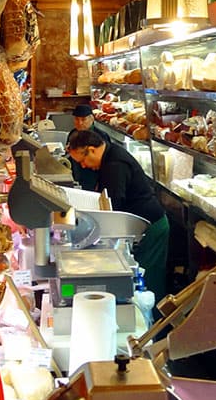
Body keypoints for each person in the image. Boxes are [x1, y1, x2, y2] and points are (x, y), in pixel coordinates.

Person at [67, 129, 169, 298]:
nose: (83, 166)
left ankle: (156, 319)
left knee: (149, 279)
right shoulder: (109, 157)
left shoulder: (115, 165)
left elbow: (115, 206)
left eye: (83, 160)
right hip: (140, 223)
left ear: (92, 149)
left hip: (152, 227)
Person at [66, 104, 111, 190]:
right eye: (76, 119)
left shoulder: (101, 136)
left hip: (94, 178)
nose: (80, 123)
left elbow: (106, 162)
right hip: (77, 175)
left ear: (92, 119)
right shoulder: (73, 134)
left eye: (83, 119)